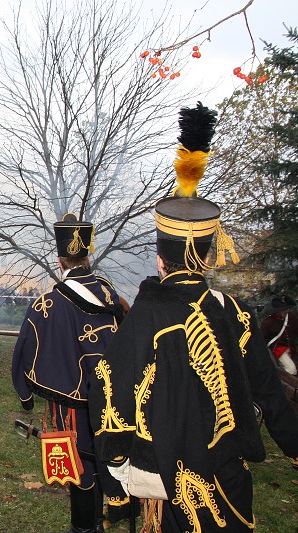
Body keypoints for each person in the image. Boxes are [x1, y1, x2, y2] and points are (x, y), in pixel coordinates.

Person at [89, 103, 298, 532]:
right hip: (228, 480)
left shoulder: (143, 319)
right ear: (207, 256)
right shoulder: (236, 314)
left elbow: (110, 397)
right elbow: (271, 395)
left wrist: (115, 486)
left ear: (159, 259)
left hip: (167, 483)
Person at [11, 212, 128, 533]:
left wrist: (25, 397)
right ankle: (99, 523)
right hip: (112, 395)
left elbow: (25, 347)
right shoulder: (112, 295)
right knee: (102, 454)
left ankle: (83, 528)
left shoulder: (47, 303)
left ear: (60, 259)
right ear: (87, 255)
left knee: (79, 462)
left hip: (71, 400)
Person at [260, 295, 298, 376]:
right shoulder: (268, 322)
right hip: (278, 350)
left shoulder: (291, 317)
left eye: (287, 309)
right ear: (277, 311)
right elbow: (261, 339)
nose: (286, 311)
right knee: (291, 369)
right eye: (283, 310)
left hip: (291, 348)